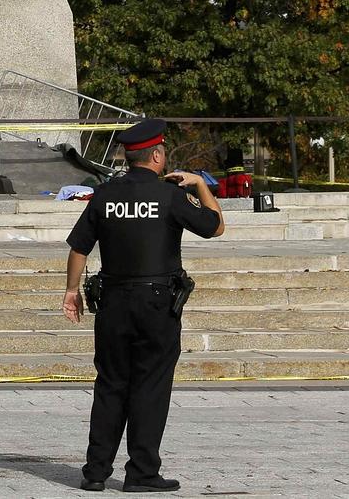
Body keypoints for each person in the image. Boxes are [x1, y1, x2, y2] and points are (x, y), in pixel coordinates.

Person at [62, 118, 226, 492]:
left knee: (110, 385)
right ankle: (142, 473)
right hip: (156, 305)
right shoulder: (169, 196)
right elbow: (215, 226)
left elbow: (78, 248)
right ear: (156, 155)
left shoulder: (104, 194)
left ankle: (95, 472)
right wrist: (200, 184)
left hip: (113, 303)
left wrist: (71, 291)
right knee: (150, 386)